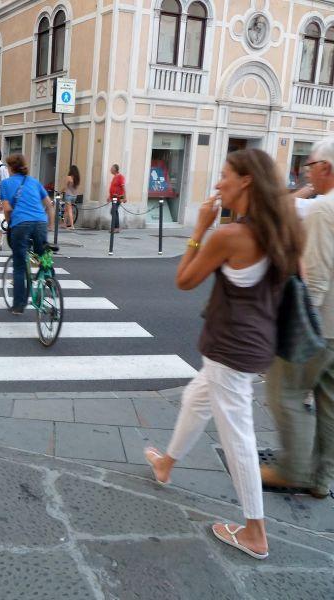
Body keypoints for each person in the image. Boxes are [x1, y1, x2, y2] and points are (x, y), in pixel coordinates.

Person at [144, 148, 304, 560]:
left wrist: (198, 229)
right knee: (195, 400)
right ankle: (166, 464)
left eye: (224, 175)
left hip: (230, 349)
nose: (218, 184)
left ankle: (255, 532)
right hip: (255, 344)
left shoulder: (230, 237)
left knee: (238, 438)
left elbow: (183, 279)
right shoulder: (284, 229)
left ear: (246, 180)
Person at [262, 138, 334, 500]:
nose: (308, 172)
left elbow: (317, 276)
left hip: (320, 325)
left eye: (310, 166)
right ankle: (321, 479)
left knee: (282, 391)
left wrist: (307, 330)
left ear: (326, 169)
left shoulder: (324, 209)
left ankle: (293, 468)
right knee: (328, 401)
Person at [0, 154, 53, 314]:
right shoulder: (34, 182)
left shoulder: (6, 183)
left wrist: (10, 224)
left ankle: (18, 305)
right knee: (41, 254)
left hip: (21, 224)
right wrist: (49, 225)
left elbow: (7, 208)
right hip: (40, 223)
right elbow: (49, 205)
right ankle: (48, 275)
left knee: (19, 266)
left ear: (11, 168)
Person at [108, 163, 126, 232]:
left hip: (118, 198)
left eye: (111, 168)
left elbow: (123, 187)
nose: (110, 170)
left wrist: (124, 197)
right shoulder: (114, 177)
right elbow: (113, 188)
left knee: (113, 211)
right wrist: (109, 197)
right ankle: (116, 227)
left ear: (115, 169)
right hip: (113, 198)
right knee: (114, 211)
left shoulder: (120, 177)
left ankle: (116, 227)